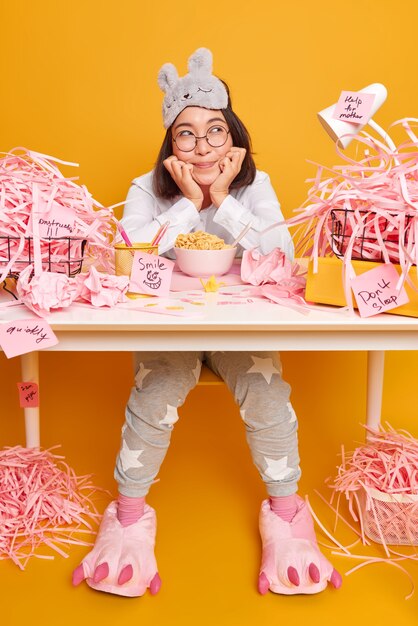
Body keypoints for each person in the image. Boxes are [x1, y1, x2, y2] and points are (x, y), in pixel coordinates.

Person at [72, 47, 341, 597]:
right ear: (171, 144)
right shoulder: (146, 189)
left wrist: (223, 198)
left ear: (233, 136)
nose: (201, 147)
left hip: (238, 325)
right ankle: (128, 518)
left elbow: (282, 256)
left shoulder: (254, 186)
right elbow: (128, 257)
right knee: (156, 393)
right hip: (168, 324)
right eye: (185, 135)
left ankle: (287, 518)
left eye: (214, 132)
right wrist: (189, 206)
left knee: (267, 395)